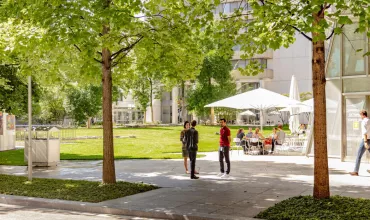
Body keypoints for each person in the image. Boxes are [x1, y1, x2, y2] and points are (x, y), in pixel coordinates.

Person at [350, 110, 370, 176]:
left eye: (360, 115)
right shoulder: (369, 120)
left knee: (358, 155)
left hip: (365, 140)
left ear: (363, 115)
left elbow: (364, 132)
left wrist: (365, 142)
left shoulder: (364, 121)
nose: (360, 117)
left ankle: (355, 171)